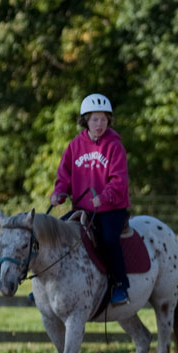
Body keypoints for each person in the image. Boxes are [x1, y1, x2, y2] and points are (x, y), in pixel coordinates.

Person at [50, 93, 132, 305]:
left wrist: (104, 197)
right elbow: (64, 174)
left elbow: (119, 180)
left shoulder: (114, 146)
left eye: (104, 119)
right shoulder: (75, 146)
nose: (99, 124)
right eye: (95, 119)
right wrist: (59, 192)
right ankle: (48, 287)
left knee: (108, 240)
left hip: (111, 208)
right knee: (57, 233)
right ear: (85, 120)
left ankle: (120, 285)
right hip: (82, 208)